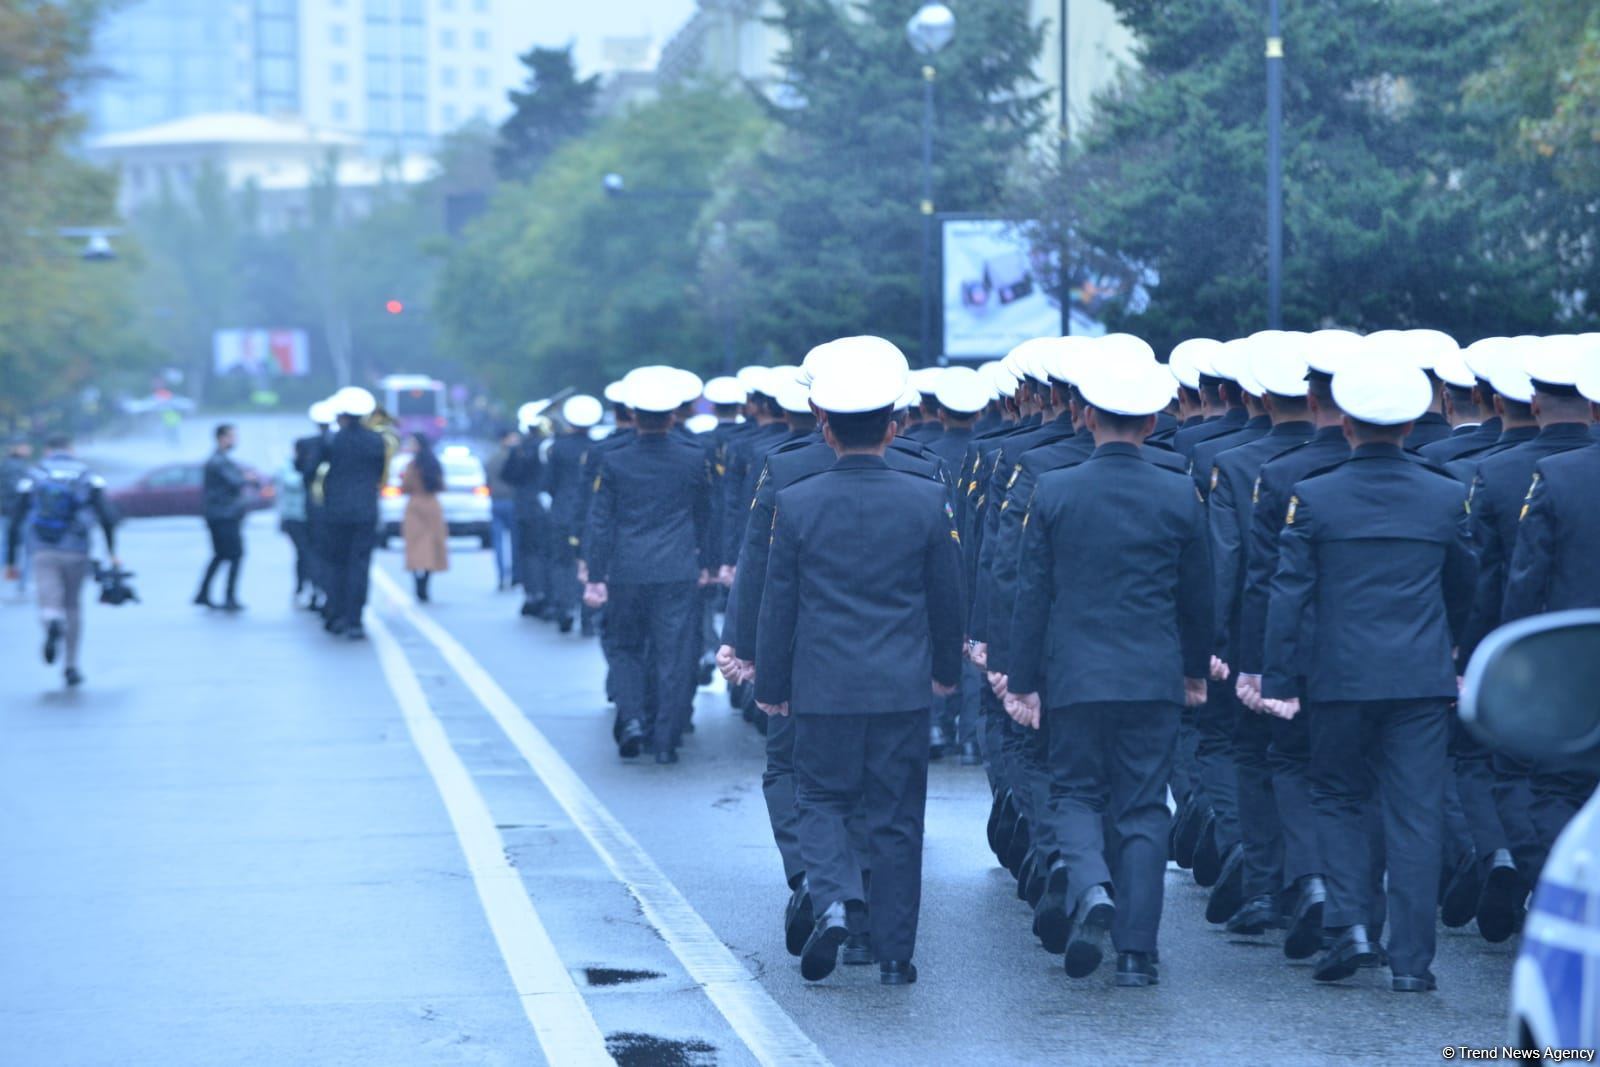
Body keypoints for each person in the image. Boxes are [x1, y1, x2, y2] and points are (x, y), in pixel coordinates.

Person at [1259, 359, 1476, 994]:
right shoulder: (1445, 493)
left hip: (1338, 677)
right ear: (1410, 426)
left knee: (1338, 797)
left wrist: (1279, 680)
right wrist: (1451, 648)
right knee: (1416, 815)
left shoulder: (1315, 495)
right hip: (1421, 678)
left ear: (1346, 424)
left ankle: (1351, 926)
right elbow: (1466, 584)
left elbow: (1287, 595)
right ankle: (1412, 964)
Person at [754, 357, 965, 988]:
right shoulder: (927, 499)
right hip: (901, 684)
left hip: (822, 685)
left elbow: (778, 604)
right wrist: (945, 670)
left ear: (825, 428)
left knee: (821, 799)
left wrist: (772, 686)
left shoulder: (796, 502)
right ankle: (895, 956)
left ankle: (837, 901)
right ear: (893, 429)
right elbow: (946, 595)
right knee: (897, 816)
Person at [1003, 355, 1211, 988]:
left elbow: (1032, 594)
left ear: (1086, 416)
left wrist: (1023, 680)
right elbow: (1198, 595)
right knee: (1144, 807)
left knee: (1075, 791)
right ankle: (1136, 954)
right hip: (1153, 673)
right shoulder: (1179, 490)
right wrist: (1194, 670)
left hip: (1075, 673)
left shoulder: (1055, 489)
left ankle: (1092, 886)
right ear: (1151, 423)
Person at [583, 367, 714, 764]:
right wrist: (707, 562)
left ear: (632, 415)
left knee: (625, 646)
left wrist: (595, 575)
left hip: (626, 570)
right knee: (672, 652)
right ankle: (666, 739)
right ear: (673, 416)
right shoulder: (693, 458)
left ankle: (633, 719)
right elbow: (705, 515)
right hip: (678, 568)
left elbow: (601, 522)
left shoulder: (615, 461)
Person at [4, 434, 119, 688]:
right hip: (77, 549)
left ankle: (52, 623)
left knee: (48, 599)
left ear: (47, 450)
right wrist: (112, 552)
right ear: (71, 449)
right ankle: (70, 666)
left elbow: (16, 518)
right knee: (73, 605)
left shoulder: (35, 474)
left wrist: (11, 561)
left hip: (42, 548)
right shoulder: (87, 474)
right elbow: (108, 516)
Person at [320, 388, 389, 639]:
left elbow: (316, 469)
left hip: (336, 511)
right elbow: (379, 473)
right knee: (360, 565)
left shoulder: (333, 440)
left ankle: (337, 614)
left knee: (337, 564)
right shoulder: (376, 441)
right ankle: (355, 619)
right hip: (365, 511)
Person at [546, 396, 601, 634]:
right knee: (588, 562)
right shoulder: (598, 448)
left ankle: (564, 609)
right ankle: (588, 618)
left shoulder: (557, 447)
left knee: (562, 562)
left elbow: (549, 482)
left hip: (562, 510)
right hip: (590, 512)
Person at [195, 423, 247, 611]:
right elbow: (236, 482)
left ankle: (203, 593)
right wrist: (246, 478)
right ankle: (229, 597)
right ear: (222, 438)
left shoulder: (218, 460)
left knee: (220, 555)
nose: (235, 440)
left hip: (219, 515)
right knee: (235, 555)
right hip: (225, 516)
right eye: (232, 436)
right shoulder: (219, 462)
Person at [401, 433, 449, 602]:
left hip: (415, 507)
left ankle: (418, 581)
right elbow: (442, 485)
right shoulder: (434, 464)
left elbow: (405, 486)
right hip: (432, 507)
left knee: (415, 546)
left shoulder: (412, 466)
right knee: (432, 545)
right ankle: (426, 581)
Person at [485, 428, 521, 591]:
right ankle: (514, 576)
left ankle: (501, 577)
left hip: (496, 502)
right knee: (515, 541)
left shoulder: (492, 458)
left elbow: (487, 481)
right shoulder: (515, 457)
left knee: (498, 542)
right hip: (512, 501)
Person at [1, 437, 35, 593]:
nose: (29, 449)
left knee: (8, 545)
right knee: (19, 547)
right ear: (16, 448)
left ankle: (12, 580)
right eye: (26, 446)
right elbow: (17, 490)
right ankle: (19, 583)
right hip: (15, 513)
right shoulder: (15, 467)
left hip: (7, 511)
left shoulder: (8, 464)